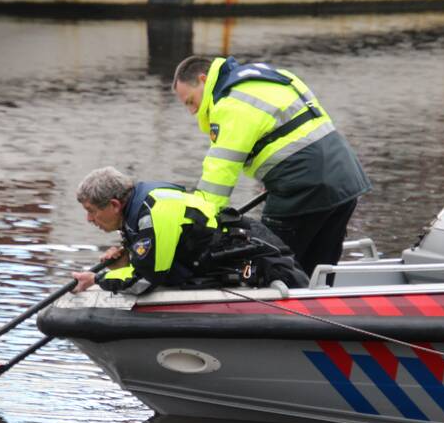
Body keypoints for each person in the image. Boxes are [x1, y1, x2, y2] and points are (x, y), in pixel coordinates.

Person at [172, 55, 371, 278]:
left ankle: (274, 306)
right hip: (345, 176)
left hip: (303, 186)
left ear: (203, 79)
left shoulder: (229, 104)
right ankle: (324, 307)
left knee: (268, 260)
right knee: (319, 268)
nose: (191, 111)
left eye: (190, 101)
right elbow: (298, 130)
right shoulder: (270, 76)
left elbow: (218, 177)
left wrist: (196, 224)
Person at [71, 167, 309, 294]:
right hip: (237, 242)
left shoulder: (151, 215)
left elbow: (147, 280)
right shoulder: (141, 204)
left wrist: (98, 279)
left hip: (259, 257)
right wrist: (126, 263)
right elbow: (159, 261)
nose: (89, 219)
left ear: (114, 205)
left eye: (91, 211)